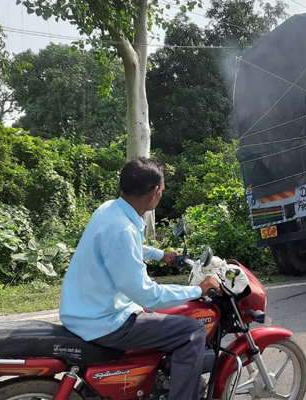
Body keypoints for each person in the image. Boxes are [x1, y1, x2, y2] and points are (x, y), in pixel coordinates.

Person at [59, 157, 220, 400]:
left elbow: (124, 248)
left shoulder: (110, 210)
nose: (162, 193)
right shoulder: (122, 228)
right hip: (105, 321)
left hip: (82, 310)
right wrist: (198, 290)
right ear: (155, 192)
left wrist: (160, 254)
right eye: (163, 189)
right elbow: (149, 295)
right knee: (192, 330)